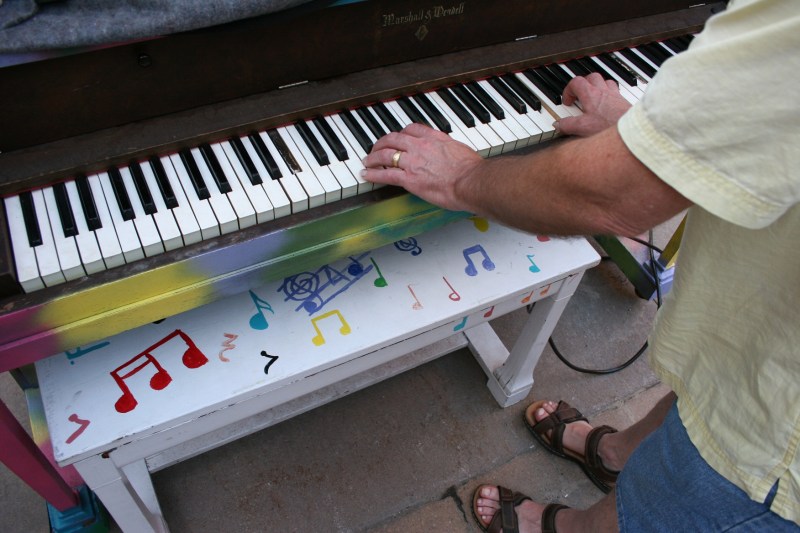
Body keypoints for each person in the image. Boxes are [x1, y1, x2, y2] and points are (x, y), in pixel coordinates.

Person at [360, 0, 799, 531]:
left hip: (777, 442)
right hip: (767, 319)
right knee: (701, 394)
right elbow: (760, 133)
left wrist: (463, 180)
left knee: (677, 496)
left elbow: (615, 197)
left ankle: (575, 527)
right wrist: (645, 134)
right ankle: (613, 454)